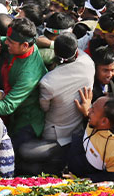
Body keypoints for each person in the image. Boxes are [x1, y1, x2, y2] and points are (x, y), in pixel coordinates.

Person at [17, 33, 92, 175]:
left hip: (55, 134)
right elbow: (77, 51)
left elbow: (44, 107)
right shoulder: (88, 64)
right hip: (77, 130)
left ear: (55, 53)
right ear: (75, 52)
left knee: (26, 153)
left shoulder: (48, 81)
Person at [0, 18, 48, 144]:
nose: (6, 42)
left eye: (10, 41)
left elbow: (7, 106)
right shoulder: (20, 46)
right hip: (15, 114)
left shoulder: (29, 75)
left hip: (26, 121)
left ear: (25, 46)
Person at [67, 95, 114, 182]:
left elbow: (111, 178)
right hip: (69, 155)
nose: (88, 110)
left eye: (92, 110)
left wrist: (80, 181)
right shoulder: (101, 121)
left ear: (104, 121)